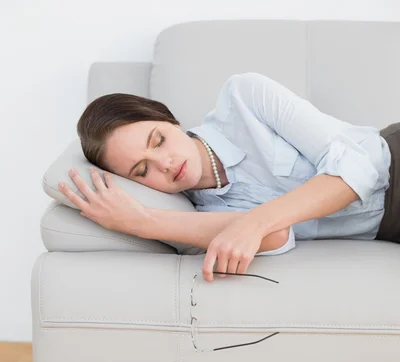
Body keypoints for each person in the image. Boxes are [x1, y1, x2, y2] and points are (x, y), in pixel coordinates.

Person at [58, 72, 399, 282]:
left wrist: (252, 223)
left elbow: (357, 170)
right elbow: (276, 238)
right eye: (142, 170)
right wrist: (142, 221)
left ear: (168, 118)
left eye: (159, 140)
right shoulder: (197, 216)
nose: (165, 163)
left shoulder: (245, 98)